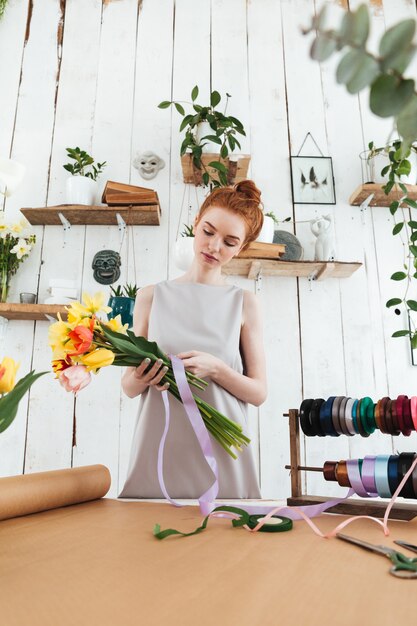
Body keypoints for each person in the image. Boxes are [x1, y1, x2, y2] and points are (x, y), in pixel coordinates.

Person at [118, 179, 267, 499]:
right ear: (196, 223)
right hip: (159, 449)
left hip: (224, 452)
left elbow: (258, 393)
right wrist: (142, 377)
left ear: (241, 248)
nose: (214, 247)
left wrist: (217, 369)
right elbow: (129, 388)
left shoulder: (244, 303)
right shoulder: (150, 296)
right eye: (208, 232)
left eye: (229, 242)